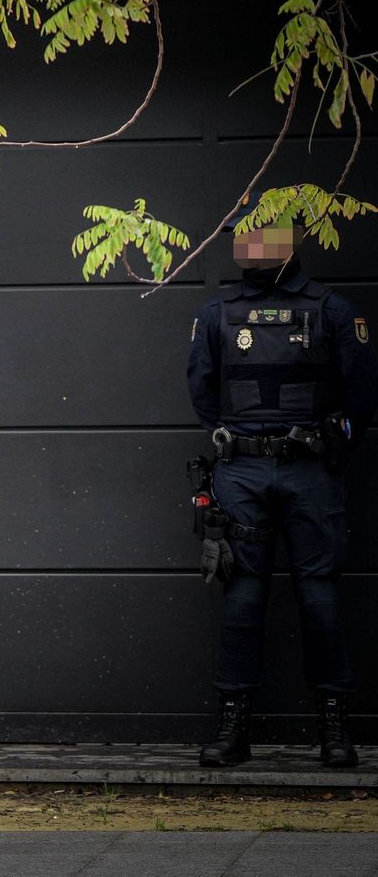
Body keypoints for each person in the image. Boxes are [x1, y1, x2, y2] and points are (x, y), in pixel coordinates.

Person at [187, 192, 376, 769]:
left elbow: (362, 394)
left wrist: (325, 449)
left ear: (289, 243)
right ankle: (233, 729)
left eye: (259, 239)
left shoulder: (332, 311)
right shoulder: (219, 313)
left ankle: (334, 731)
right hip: (241, 470)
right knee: (243, 600)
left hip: (311, 470)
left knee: (319, 600)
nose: (247, 251)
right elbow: (203, 389)